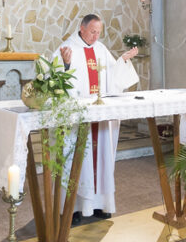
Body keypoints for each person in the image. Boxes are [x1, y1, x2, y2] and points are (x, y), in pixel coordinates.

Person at [57, 14, 139, 223]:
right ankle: (74, 209)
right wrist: (65, 65)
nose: (96, 36)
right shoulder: (67, 48)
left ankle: (101, 205)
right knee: (77, 161)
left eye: (98, 32)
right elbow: (55, 80)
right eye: (93, 32)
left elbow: (113, 76)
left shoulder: (101, 50)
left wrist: (123, 60)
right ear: (82, 28)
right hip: (79, 119)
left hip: (100, 118)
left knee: (102, 159)